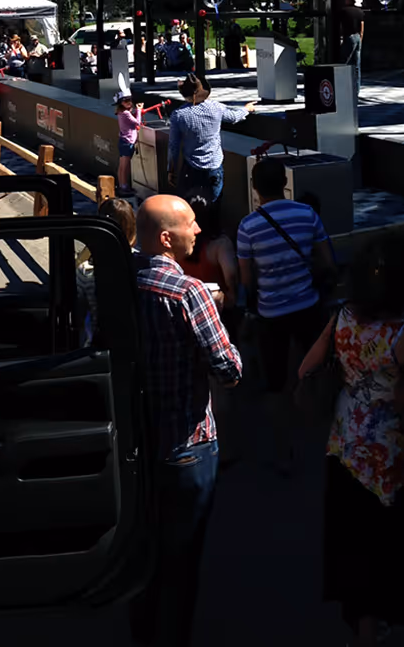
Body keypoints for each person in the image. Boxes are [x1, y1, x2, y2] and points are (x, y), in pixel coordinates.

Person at [301, 231, 404, 647]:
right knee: (387, 545)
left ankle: (360, 621)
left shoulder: (342, 317)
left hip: (344, 443)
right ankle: (377, 622)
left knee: (352, 538)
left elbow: (306, 369)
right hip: (392, 453)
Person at [128, 194, 241, 646]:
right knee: (182, 563)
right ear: (165, 238)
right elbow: (229, 370)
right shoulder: (189, 293)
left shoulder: (120, 279)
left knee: (144, 552)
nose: (197, 231)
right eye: (190, 225)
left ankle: (143, 632)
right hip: (187, 449)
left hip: (136, 442)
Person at [237, 156, 335, 473]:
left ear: (255, 188)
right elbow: (327, 261)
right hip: (308, 305)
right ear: (284, 183)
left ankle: (284, 450)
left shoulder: (248, 226)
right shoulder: (307, 214)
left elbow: (247, 280)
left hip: (271, 313)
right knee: (314, 369)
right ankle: (324, 437)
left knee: (275, 382)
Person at [167, 73, 255, 204]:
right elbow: (234, 117)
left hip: (191, 166)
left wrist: (171, 169)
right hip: (214, 164)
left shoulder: (178, 115)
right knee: (214, 204)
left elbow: (173, 146)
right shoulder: (216, 107)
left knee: (190, 203)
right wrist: (246, 109)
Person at [75, 197, 136, 348]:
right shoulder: (142, 267)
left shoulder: (85, 272)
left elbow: (78, 313)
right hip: (137, 346)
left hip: (100, 346)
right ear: (133, 231)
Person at [114, 92, 143, 196]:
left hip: (123, 141)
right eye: (126, 101)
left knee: (122, 165)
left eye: (130, 100)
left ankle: (122, 185)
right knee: (124, 166)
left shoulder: (122, 112)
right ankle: (124, 187)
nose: (129, 103)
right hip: (127, 142)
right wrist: (139, 110)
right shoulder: (126, 113)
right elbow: (137, 122)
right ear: (121, 103)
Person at [339, 0, 365, 96]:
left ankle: (341, 87)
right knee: (356, 65)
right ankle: (356, 90)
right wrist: (360, 39)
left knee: (343, 62)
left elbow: (340, 26)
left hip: (349, 36)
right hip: (358, 37)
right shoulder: (360, 12)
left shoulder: (344, 11)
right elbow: (362, 28)